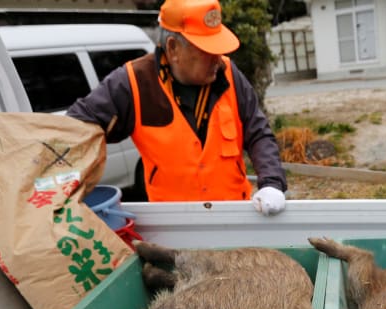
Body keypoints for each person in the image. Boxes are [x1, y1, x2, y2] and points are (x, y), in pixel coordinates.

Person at [67, 0, 287, 215]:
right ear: (173, 48)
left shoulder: (229, 73)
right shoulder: (134, 83)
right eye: (207, 50)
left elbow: (258, 133)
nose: (217, 59)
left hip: (232, 214)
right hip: (170, 222)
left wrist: (272, 183)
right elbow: (75, 128)